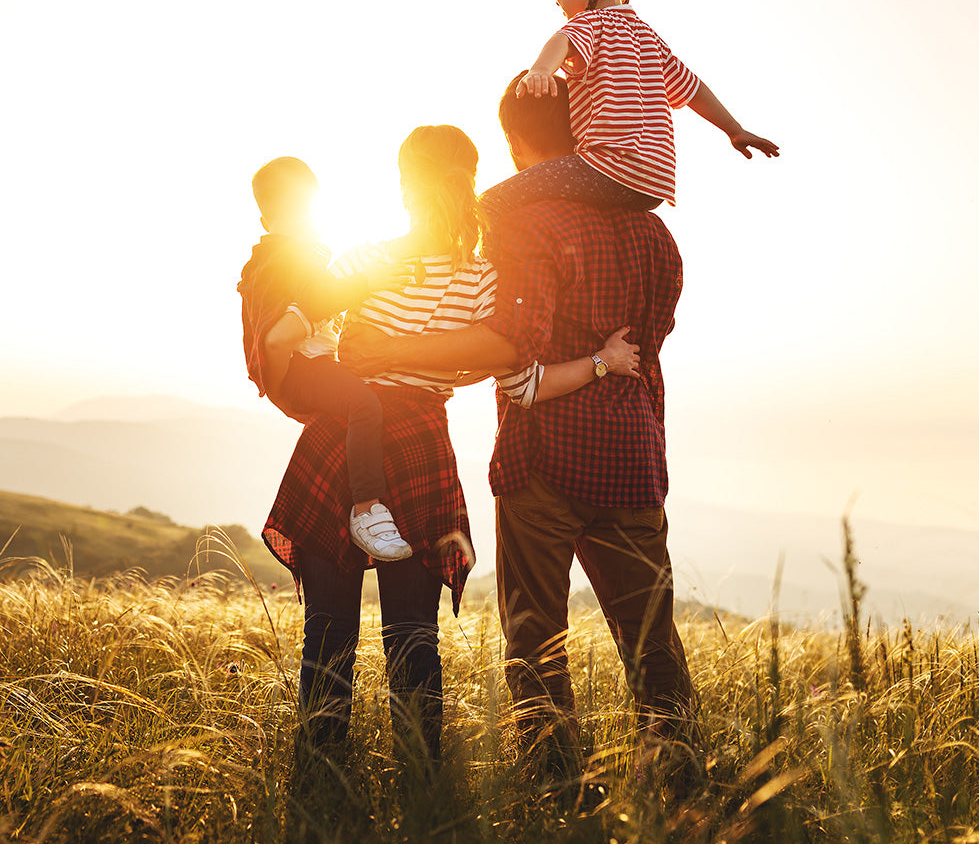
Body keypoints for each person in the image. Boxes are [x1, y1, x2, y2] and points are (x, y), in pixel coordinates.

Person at [342, 74, 698, 784]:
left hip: (547, 462)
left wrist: (395, 350)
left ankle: (557, 789)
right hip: (635, 459)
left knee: (536, 641)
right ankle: (682, 783)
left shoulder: (529, 222)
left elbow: (509, 344)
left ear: (513, 141)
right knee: (652, 640)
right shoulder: (656, 232)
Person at [259, 126, 640, 763]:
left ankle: (319, 778)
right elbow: (522, 381)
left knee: (326, 638)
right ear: (469, 181)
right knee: (413, 637)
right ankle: (421, 780)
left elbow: (298, 346)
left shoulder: (361, 262)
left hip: (339, 442)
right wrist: (599, 363)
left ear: (405, 185)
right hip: (417, 454)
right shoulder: (486, 282)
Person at [479, 0, 779, 219]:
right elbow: (693, 90)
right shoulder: (647, 36)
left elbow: (563, 41)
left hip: (607, 167)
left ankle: (481, 267)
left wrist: (541, 70)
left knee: (492, 202)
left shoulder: (589, 22)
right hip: (655, 185)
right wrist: (734, 130)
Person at [238, 156, 413, 560]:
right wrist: (369, 282)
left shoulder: (290, 255)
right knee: (364, 404)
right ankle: (367, 509)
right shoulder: (282, 257)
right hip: (302, 369)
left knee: (362, 401)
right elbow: (287, 328)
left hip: (309, 368)